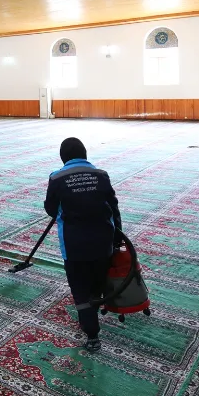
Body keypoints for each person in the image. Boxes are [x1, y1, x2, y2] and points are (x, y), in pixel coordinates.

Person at [44, 137, 123, 353]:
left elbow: (50, 209)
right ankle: (94, 308)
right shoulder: (101, 175)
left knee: (80, 290)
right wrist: (117, 238)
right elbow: (114, 209)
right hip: (103, 243)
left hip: (74, 246)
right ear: (85, 154)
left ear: (63, 158)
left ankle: (92, 334)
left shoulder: (56, 178)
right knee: (96, 284)